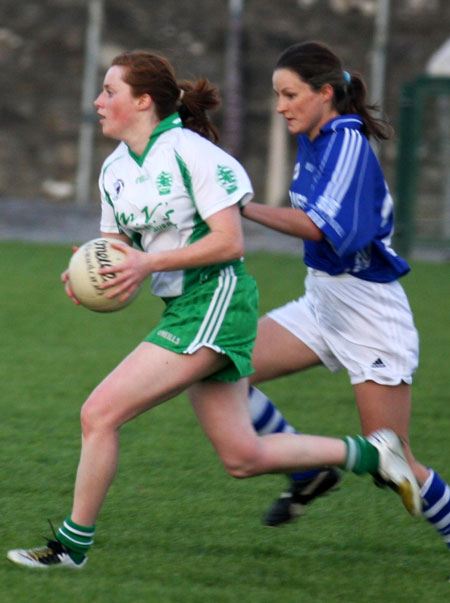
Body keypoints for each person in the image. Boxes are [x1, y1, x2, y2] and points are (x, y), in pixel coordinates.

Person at [7, 49, 420, 570]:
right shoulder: (114, 170)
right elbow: (119, 258)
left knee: (99, 412)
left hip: (218, 298)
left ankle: (71, 547)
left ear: (142, 101)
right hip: (183, 305)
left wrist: (145, 263)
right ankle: (371, 453)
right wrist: (96, 278)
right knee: (242, 458)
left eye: (109, 91)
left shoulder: (193, 154)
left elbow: (229, 242)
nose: (98, 101)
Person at [239, 41, 450, 552]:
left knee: (391, 461)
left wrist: (240, 207)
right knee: (225, 367)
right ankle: (309, 470)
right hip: (323, 302)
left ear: (325, 93)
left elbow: (317, 225)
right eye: (278, 95)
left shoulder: (346, 143)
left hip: (368, 312)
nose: (281, 105)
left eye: (290, 94)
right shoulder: (316, 134)